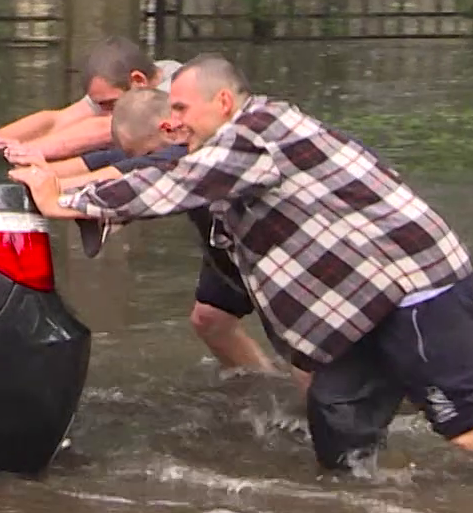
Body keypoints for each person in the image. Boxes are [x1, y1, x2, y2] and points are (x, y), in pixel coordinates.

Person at [10, 55, 473, 480]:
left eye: (181, 108)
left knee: (469, 429)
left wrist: (62, 198)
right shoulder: (230, 144)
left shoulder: (256, 136)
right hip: (367, 301)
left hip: (416, 289)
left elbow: (174, 183)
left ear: (223, 103)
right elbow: (154, 170)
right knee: (335, 418)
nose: (172, 120)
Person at [42, 87, 294, 381]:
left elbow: (139, 171)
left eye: (144, 153)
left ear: (168, 130)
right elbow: (114, 163)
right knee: (210, 320)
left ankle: (311, 414)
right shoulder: (156, 144)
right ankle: (265, 386)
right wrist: (36, 166)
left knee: (303, 347)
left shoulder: (189, 150)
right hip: (223, 246)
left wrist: (52, 190)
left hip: (269, 248)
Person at [0, 37, 176, 160]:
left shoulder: (173, 89)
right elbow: (57, 120)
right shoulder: (138, 82)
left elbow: (104, 129)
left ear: (138, 81)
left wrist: (23, 151)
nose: (108, 111)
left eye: (111, 104)